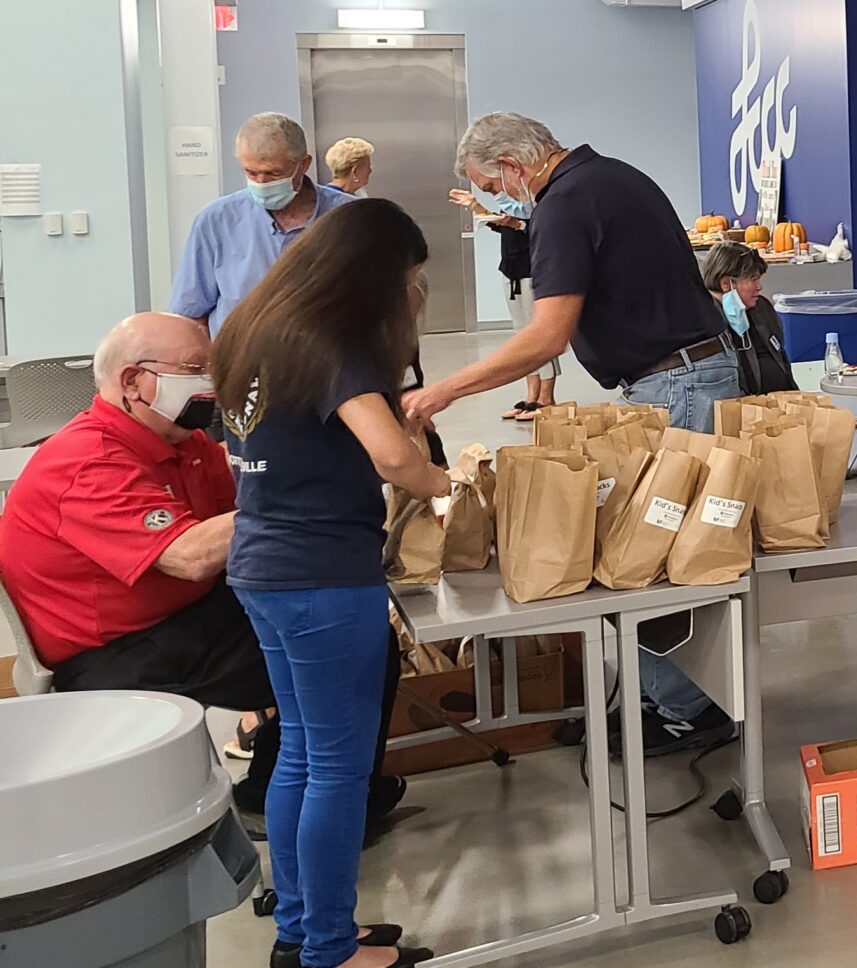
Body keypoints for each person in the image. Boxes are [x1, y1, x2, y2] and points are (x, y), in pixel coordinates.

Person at [0, 315, 408, 845]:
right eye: (194, 370)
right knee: (348, 643)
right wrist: (304, 491)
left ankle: (310, 786)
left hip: (179, 617)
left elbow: (241, 505)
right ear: (132, 382)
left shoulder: (179, 441)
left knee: (334, 622)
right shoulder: (87, 462)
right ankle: (298, 798)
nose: (210, 384)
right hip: (118, 652)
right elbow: (190, 554)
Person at [405, 112, 734, 756]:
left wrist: (445, 388)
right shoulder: (611, 178)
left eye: (492, 186)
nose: (499, 198)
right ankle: (653, 693)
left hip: (678, 382)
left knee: (659, 556)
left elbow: (546, 336)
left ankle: (690, 708)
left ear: (513, 167)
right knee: (643, 548)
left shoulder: (564, 203)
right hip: (677, 373)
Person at [211, 200, 446, 968]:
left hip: (261, 565)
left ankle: (303, 932)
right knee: (338, 769)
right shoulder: (332, 342)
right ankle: (332, 953)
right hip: (322, 575)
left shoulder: (252, 331)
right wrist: (436, 477)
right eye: (409, 280)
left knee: (303, 757)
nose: (411, 294)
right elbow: (390, 457)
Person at [171, 113, 355, 337]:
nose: (261, 182)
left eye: (274, 173)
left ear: (303, 164)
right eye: (251, 172)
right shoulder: (216, 222)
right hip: (240, 367)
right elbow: (190, 315)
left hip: (329, 365)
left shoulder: (350, 218)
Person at [449, 188, 558, 421]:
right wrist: (474, 206)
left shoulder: (540, 206)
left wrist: (515, 224)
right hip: (511, 273)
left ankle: (546, 399)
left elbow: (532, 230)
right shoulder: (511, 204)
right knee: (522, 336)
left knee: (539, 337)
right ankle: (531, 396)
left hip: (532, 275)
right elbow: (499, 223)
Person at [702, 241, 798, 396]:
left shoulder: (762, 308)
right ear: (726, 283)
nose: (759, 287)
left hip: (780, 404)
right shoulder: (705, 323)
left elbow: (781, 359)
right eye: (753, 279)